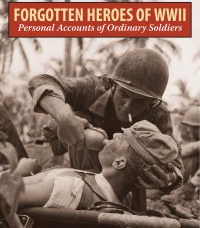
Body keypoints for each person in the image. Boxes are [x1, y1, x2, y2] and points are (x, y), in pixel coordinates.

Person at [28, 48, 182, 190]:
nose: (127, 106)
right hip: (78, 163)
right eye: (124, 94)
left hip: (126, 184)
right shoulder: (95, 88)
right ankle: (83, 188)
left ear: (152, 102)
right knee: (81, 118)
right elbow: (40, 82)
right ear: (113, 85)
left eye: (139, 101)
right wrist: (65, 117)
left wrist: (169, 178)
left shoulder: (157, 113)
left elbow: (175, 164)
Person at [18, 121, 181, 210]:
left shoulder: (72, 188)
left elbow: (6, 196)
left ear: (119, 162)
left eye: (120, 138)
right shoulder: (125, 198)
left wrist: (19, 171)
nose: (115, 134)